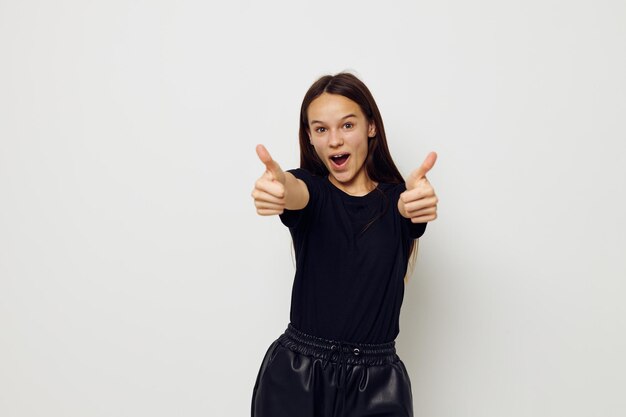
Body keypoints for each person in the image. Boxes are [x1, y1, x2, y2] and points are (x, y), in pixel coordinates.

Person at [250, 72, 438, 417]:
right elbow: (293, 190)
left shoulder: (398, 201)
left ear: (371, 127)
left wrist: (419, 203)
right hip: (298, 377)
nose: (334, 140)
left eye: (347, 125)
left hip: (378, 385)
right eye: (321, 129)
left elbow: (409, 208)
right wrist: (276, 188)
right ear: (310, 138)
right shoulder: (312, 191)